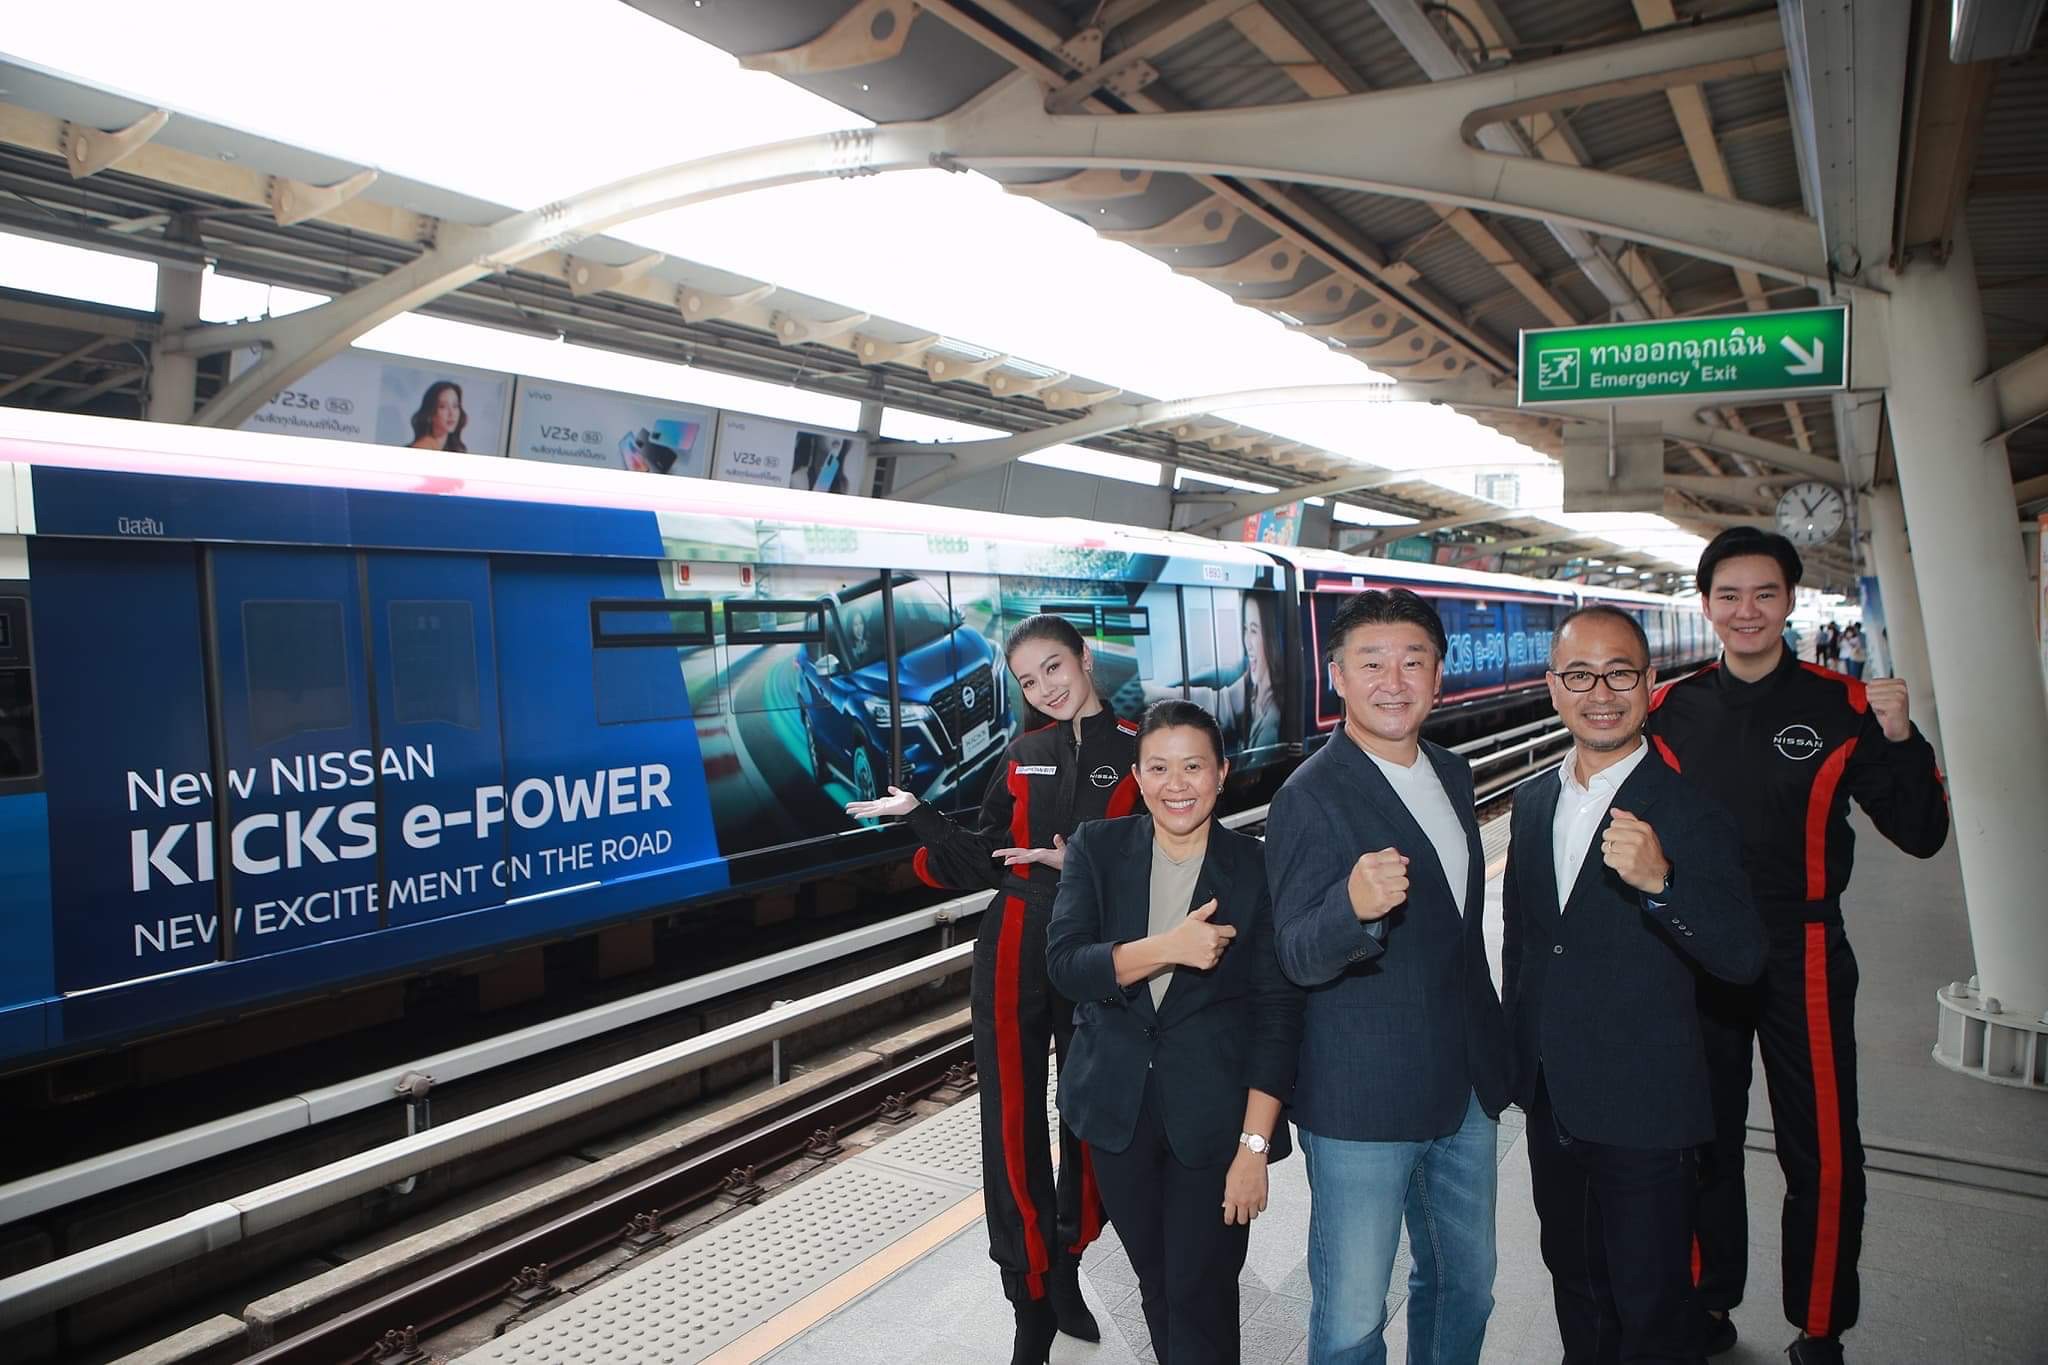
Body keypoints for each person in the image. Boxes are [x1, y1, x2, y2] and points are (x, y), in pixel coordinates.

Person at [1647, 528, 1949, 1365]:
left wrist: (1903, 737)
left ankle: (1820, 1326)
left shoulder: (1844, 705)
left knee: (1823, 1149)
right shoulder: (1670, 710)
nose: (1746, 611)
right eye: (1729, 595)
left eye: (1764, 594)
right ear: (1705, 605)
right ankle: (1708, 1301)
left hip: (1803, 950)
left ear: (1788, 601)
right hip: (1698, 949)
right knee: (1701, 1137)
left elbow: (1922, 832)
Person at [845, 613, 1139, 1365]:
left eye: (1053, 667)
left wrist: (1082, 863)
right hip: (1012, 942)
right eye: (1028, 681)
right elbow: (984, 858)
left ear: (1083, 657)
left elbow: (1169, 853)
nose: (1045, 688)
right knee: (1009, 1119)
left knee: (1087, 1111)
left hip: (1098, 951)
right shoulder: (1023, 753)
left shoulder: (1143, 747)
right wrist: (919, 816)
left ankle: (1068, 1258)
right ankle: (1028, 1297)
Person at [1504, 606, 1764, 1364]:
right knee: (1576, 1285)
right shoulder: (1533, 802)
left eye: (1620, 673)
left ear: (1650, 683)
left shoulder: (1692, 811)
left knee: (1652, 1307)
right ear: (1553, 687)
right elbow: (1526, 946)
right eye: (1580, 675)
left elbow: (1744, 957)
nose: (1601, 693)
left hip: (1647, 1107)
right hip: (1554, 1100)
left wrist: (1664, 883)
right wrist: (1516, 1062)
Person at [1265, 588, 1511, 1365]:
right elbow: (1294, 952)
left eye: (1413, 661)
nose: (1394, 680)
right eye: (1371, 663)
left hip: (1465, 1088)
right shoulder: (1307, 796)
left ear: (1439, 675)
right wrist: (1351, 909)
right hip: (1362, 1099)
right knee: (1351, 1319)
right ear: (1337, 676)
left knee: (1466, 1287)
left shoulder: (1453, 771)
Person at [1046, 699, 1304, 1365]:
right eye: (1158, 768)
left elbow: (1278, 1014)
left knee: (1201, 1291)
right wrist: (1169, 948)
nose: (1176, 784)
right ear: (1137, 777)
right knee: (1157, 1285)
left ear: (1222, 772)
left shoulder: (1257, 866)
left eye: (1193, 766)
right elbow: (1066, 965)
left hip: (1215, 1124)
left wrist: (1254, 1147)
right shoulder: (1097, 849)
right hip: (1116, 1114)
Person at [407, 381, 468, 452]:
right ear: (431, 413)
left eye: (455, 406)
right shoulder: (423, 446)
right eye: (443, 406)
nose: (452, 413)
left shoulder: (452, 447)